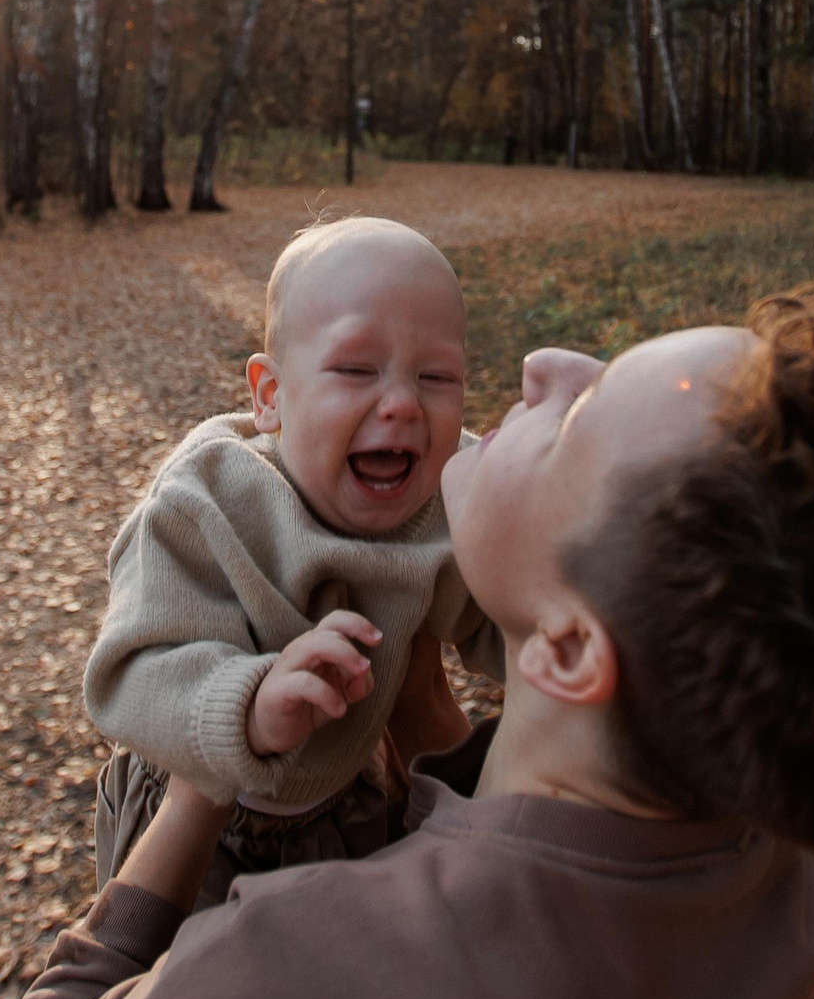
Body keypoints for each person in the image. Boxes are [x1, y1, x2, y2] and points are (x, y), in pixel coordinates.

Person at [0, 279, 814, 999]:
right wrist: (431, 727)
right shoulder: (799, 868)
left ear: (571, 647)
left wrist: (201, 780)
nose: (542, 365)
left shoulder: (275, 974)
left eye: (578, 416)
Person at [83, 217, 504, 905]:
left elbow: (516, 616)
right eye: (355, 369)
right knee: (193, 992)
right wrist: (247, 705)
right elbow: (128, 674)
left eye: (437, 375)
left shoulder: (451, 494)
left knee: (349, 978)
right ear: (270, 396)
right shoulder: (210, 500)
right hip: (207, 816)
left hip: (355, 793)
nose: (401, 403)